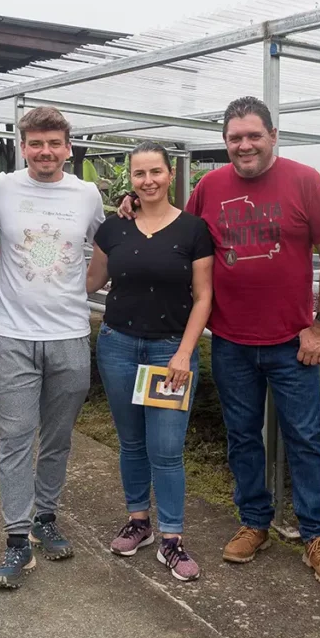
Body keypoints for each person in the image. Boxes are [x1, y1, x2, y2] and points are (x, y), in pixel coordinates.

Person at [118, 96, 320, 587]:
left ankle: (316, 536)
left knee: (304, 439)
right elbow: (177, 224)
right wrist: (132, 204)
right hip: (230, 340)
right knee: (242, 437)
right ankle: (254, 522)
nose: (244, 145)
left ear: (272, 135)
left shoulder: (306, 181)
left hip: (293, 342)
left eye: (252, 136)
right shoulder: (210, 186)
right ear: (225, 143)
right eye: (234, 138)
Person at [0, 105, 105, 589]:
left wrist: (83, 290)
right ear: (23, 146)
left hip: (70, 336)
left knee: (57, 437)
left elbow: (107, 245)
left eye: (54, 143)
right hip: (11, 335)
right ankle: (16, 541)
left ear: (67, 148)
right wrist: (15, 281)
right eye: (35, 143)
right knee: (15, 438)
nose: (45, 151)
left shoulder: (88, 195)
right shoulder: (0, 189)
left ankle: (45, 518)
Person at [86, 141, 214, 582]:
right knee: (132, 443)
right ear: (131, 179)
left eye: (155, 171)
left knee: (167, 448)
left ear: (169, 175)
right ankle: (139, 521)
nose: (148, 181)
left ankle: (172, 539)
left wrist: (184, 352)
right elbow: (90, 281)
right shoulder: (113, 228)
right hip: (117, 345)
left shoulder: (193, 230)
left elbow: (204, 297)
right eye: (139, 174)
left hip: (169, 353)